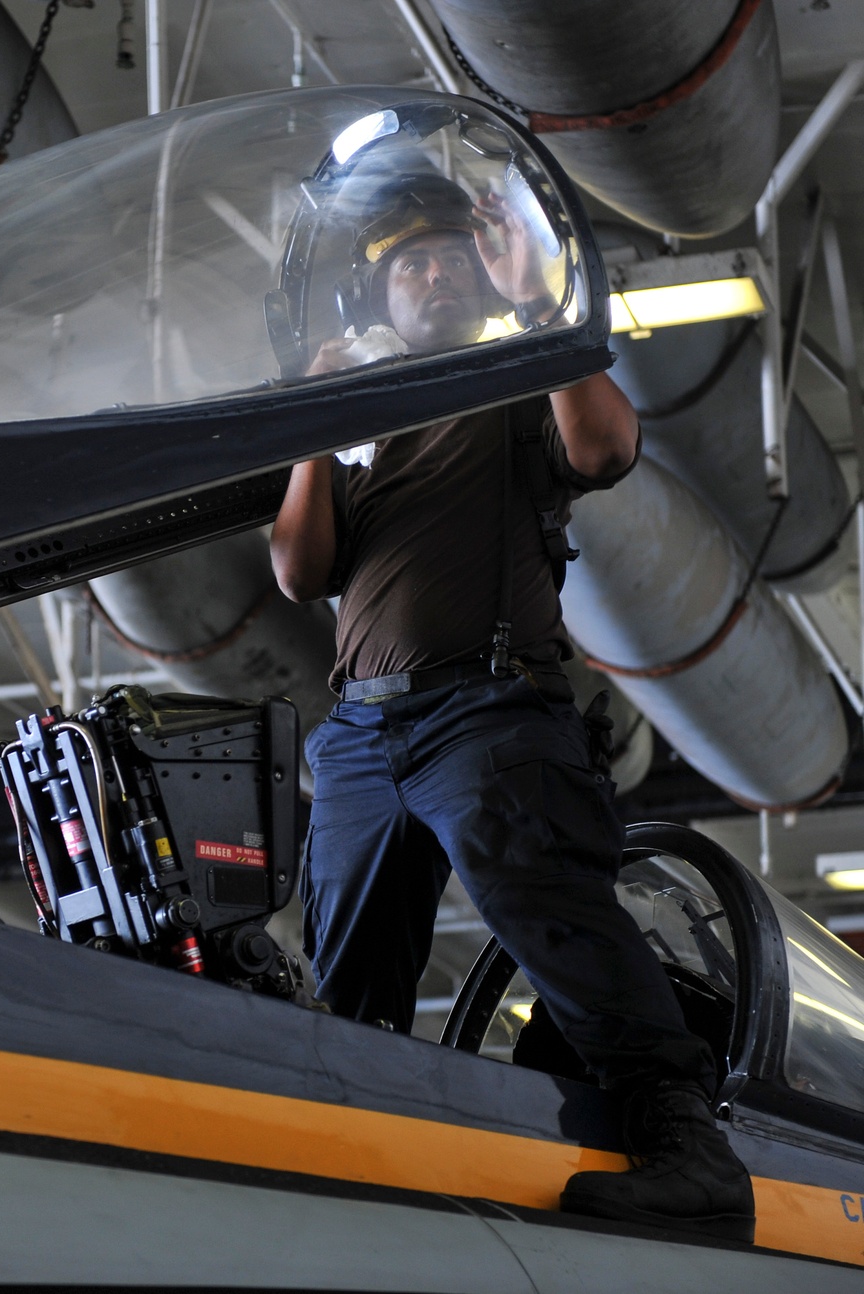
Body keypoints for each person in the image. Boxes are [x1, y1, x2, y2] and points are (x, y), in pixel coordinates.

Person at [270, 173, 755, 1243]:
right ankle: (360, 1172)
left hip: (486, 711)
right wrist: (316, 423)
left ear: (478, 278)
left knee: (555, 922)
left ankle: (687, 1148)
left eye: (448, 256)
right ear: (380, 301)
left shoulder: (513, 382)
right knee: (347, 981)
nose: (431, 273)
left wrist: (540, 312)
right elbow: (301, 573)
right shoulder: (365, 426)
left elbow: (603, 449)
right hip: (359, 732)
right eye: (408, 265)